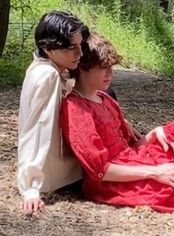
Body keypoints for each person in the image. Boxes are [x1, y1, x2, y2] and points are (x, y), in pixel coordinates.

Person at [60, 32, 174, 222]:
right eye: (103, 68)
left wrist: (151, 135)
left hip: (132, 161)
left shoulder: (104, 98)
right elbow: (101, 171)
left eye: (111, 67)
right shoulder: (75, 108)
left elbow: (129, 147)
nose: (110, 74)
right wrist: (156, 172)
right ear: (84, 68)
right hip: (114, 182)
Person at [17, 11, 90, 213]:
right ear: (48, 48)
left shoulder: (41, 68)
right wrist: (31, 187)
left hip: (57, 172)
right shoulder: (48, 75)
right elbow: (37, 129)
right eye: (71, 48)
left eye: (80, 46)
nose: (80, 54)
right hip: (55, 177)